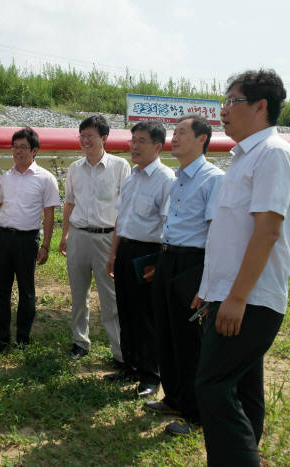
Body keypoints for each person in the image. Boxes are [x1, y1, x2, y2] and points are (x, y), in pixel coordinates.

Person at [192, 69, 290, 466]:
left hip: (250, 298)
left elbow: (267, 232)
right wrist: (209, 289)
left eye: (232, 101)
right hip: (231, 294)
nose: (223, 111)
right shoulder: (244, 158)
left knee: (212, 386)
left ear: (260, 107)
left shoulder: (274, 155)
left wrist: (236, 298)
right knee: (241, 389)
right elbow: (230, 234)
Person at [144, 115, 224, 434]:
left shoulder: (213, 179)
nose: (173, 138)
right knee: (166, 333)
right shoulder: (178, 177)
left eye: (181, 133)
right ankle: (173, 397)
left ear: (202, 139)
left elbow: (215, 235)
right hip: (168, 260)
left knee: (190, 341)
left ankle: (195, 414)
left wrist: (206, 285)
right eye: (173, 133)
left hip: (193, 263)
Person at [103, 120, 175, 398]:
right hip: (125, 251)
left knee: (147, 316)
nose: (134, 146)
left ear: (158, 146)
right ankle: (129, 366)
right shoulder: (131, 177)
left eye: (141, 141)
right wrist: (113, 254)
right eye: (133, 140)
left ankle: (150, 375)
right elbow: (122, 219)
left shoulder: (166, 180)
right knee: (127, 310)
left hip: (149, 252)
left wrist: (159, 263)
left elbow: (169, 225)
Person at [59, 115, 130, 363]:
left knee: (110, 298)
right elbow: (69, 203)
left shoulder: (120, 167)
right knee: (79, 295)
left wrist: (116, 248)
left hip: (106, 238)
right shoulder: (75, 169)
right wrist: (65, 234)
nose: (85, 140)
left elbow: (124, 210)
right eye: (82, 135)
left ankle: (120, 352)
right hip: (78, 235)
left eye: (90, 135)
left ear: (104, 138)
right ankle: (80, 342)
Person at [0, 127, 60, 351]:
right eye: (15, 147)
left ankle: (23, 338)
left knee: (27, 291)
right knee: (1, 290)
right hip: (4, 238)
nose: (18, 152)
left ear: (34, 150)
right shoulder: (7, 177)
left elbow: (49, 215)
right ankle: (2, 338)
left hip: (28, 240)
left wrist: (45, 245)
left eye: (23, 147)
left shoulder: (46, 178)